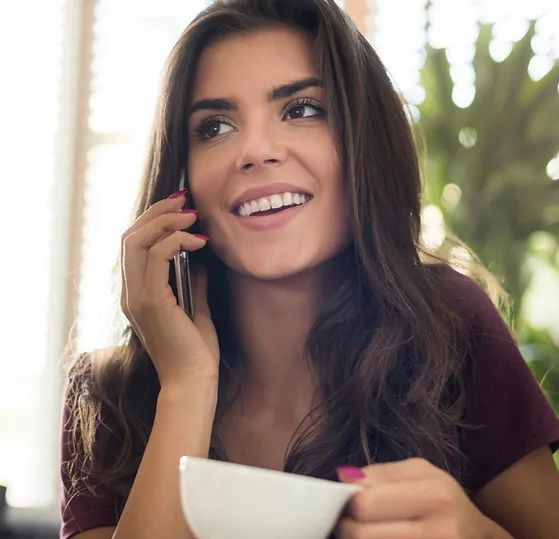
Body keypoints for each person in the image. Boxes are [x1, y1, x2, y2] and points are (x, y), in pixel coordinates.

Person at [59, 1, 559, 538]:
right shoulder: (106, 396)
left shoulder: (451, 330)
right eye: (215, 126)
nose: (254, 150)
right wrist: (186, 385)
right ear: (181, 183)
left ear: (365, 144)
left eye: (301, 109)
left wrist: (478, 534)